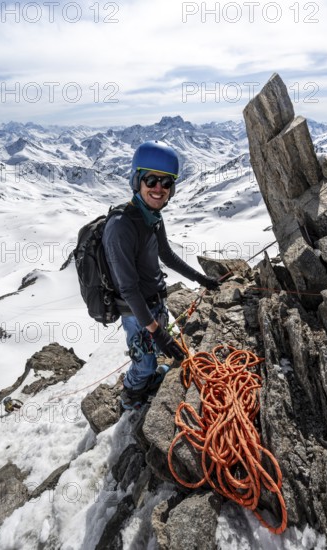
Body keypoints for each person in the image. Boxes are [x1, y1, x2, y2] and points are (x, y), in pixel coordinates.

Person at [103, 140, 219, 409]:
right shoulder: (121, 226)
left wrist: (199, 278)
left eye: (166, 183)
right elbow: (129, 289)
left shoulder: (153, 217)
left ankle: (147, 379)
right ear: (137, 181)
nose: (159, 189)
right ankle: (130, 399)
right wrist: (157, 332)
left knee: (152, 354)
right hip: (135, 311)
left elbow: (166, 255)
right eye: (151, 180)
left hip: (155, 302)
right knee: (144, 363)